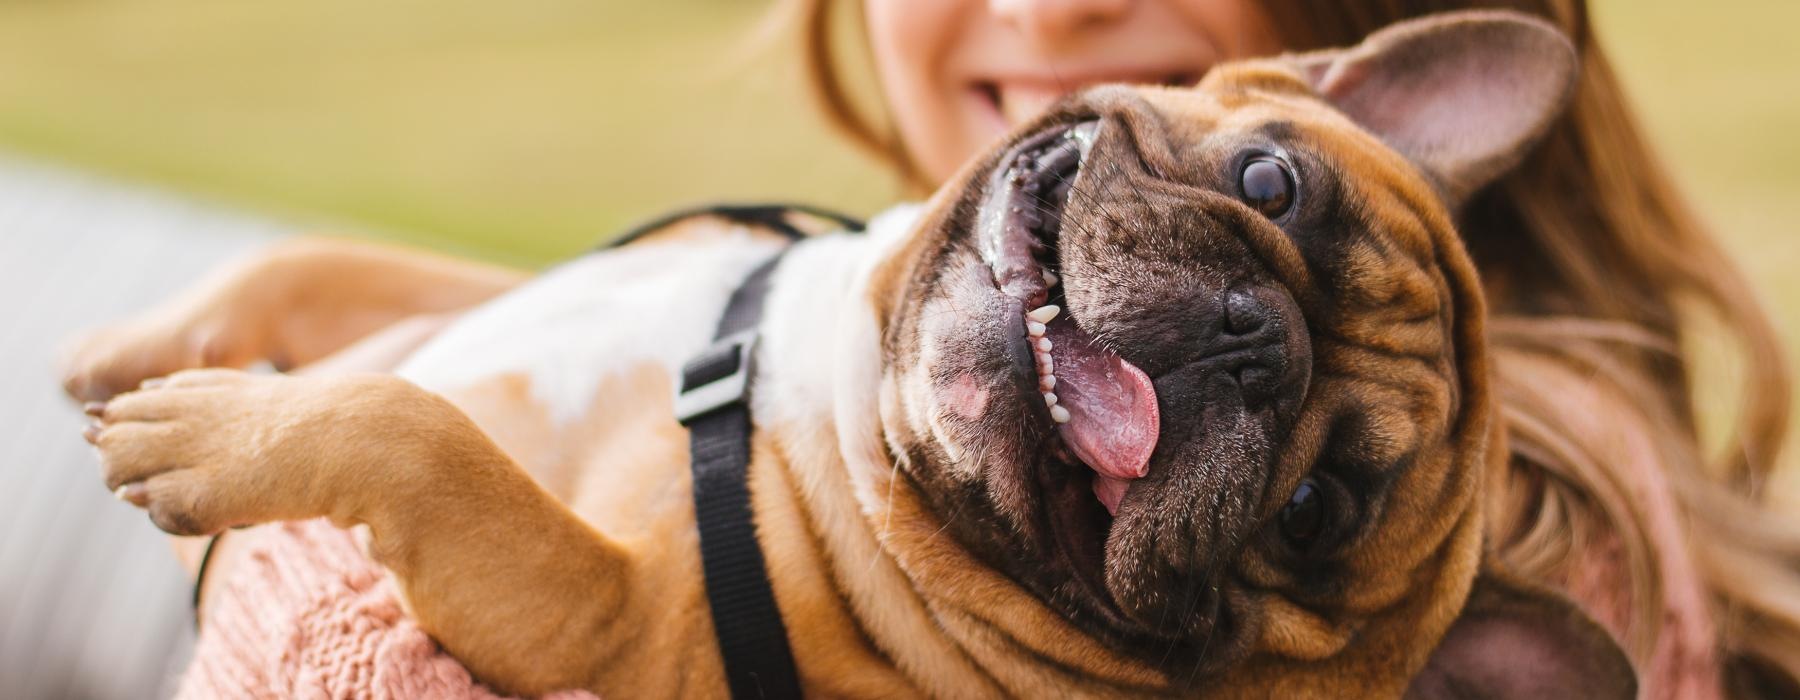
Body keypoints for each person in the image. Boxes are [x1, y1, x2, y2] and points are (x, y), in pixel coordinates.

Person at [91, 1, 1800, 697]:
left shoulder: (1542, 511)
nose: (1232, 354)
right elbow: (602, 347)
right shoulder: (904, 307)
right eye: (1264, 193)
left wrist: (299, 517)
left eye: (1313, 512)